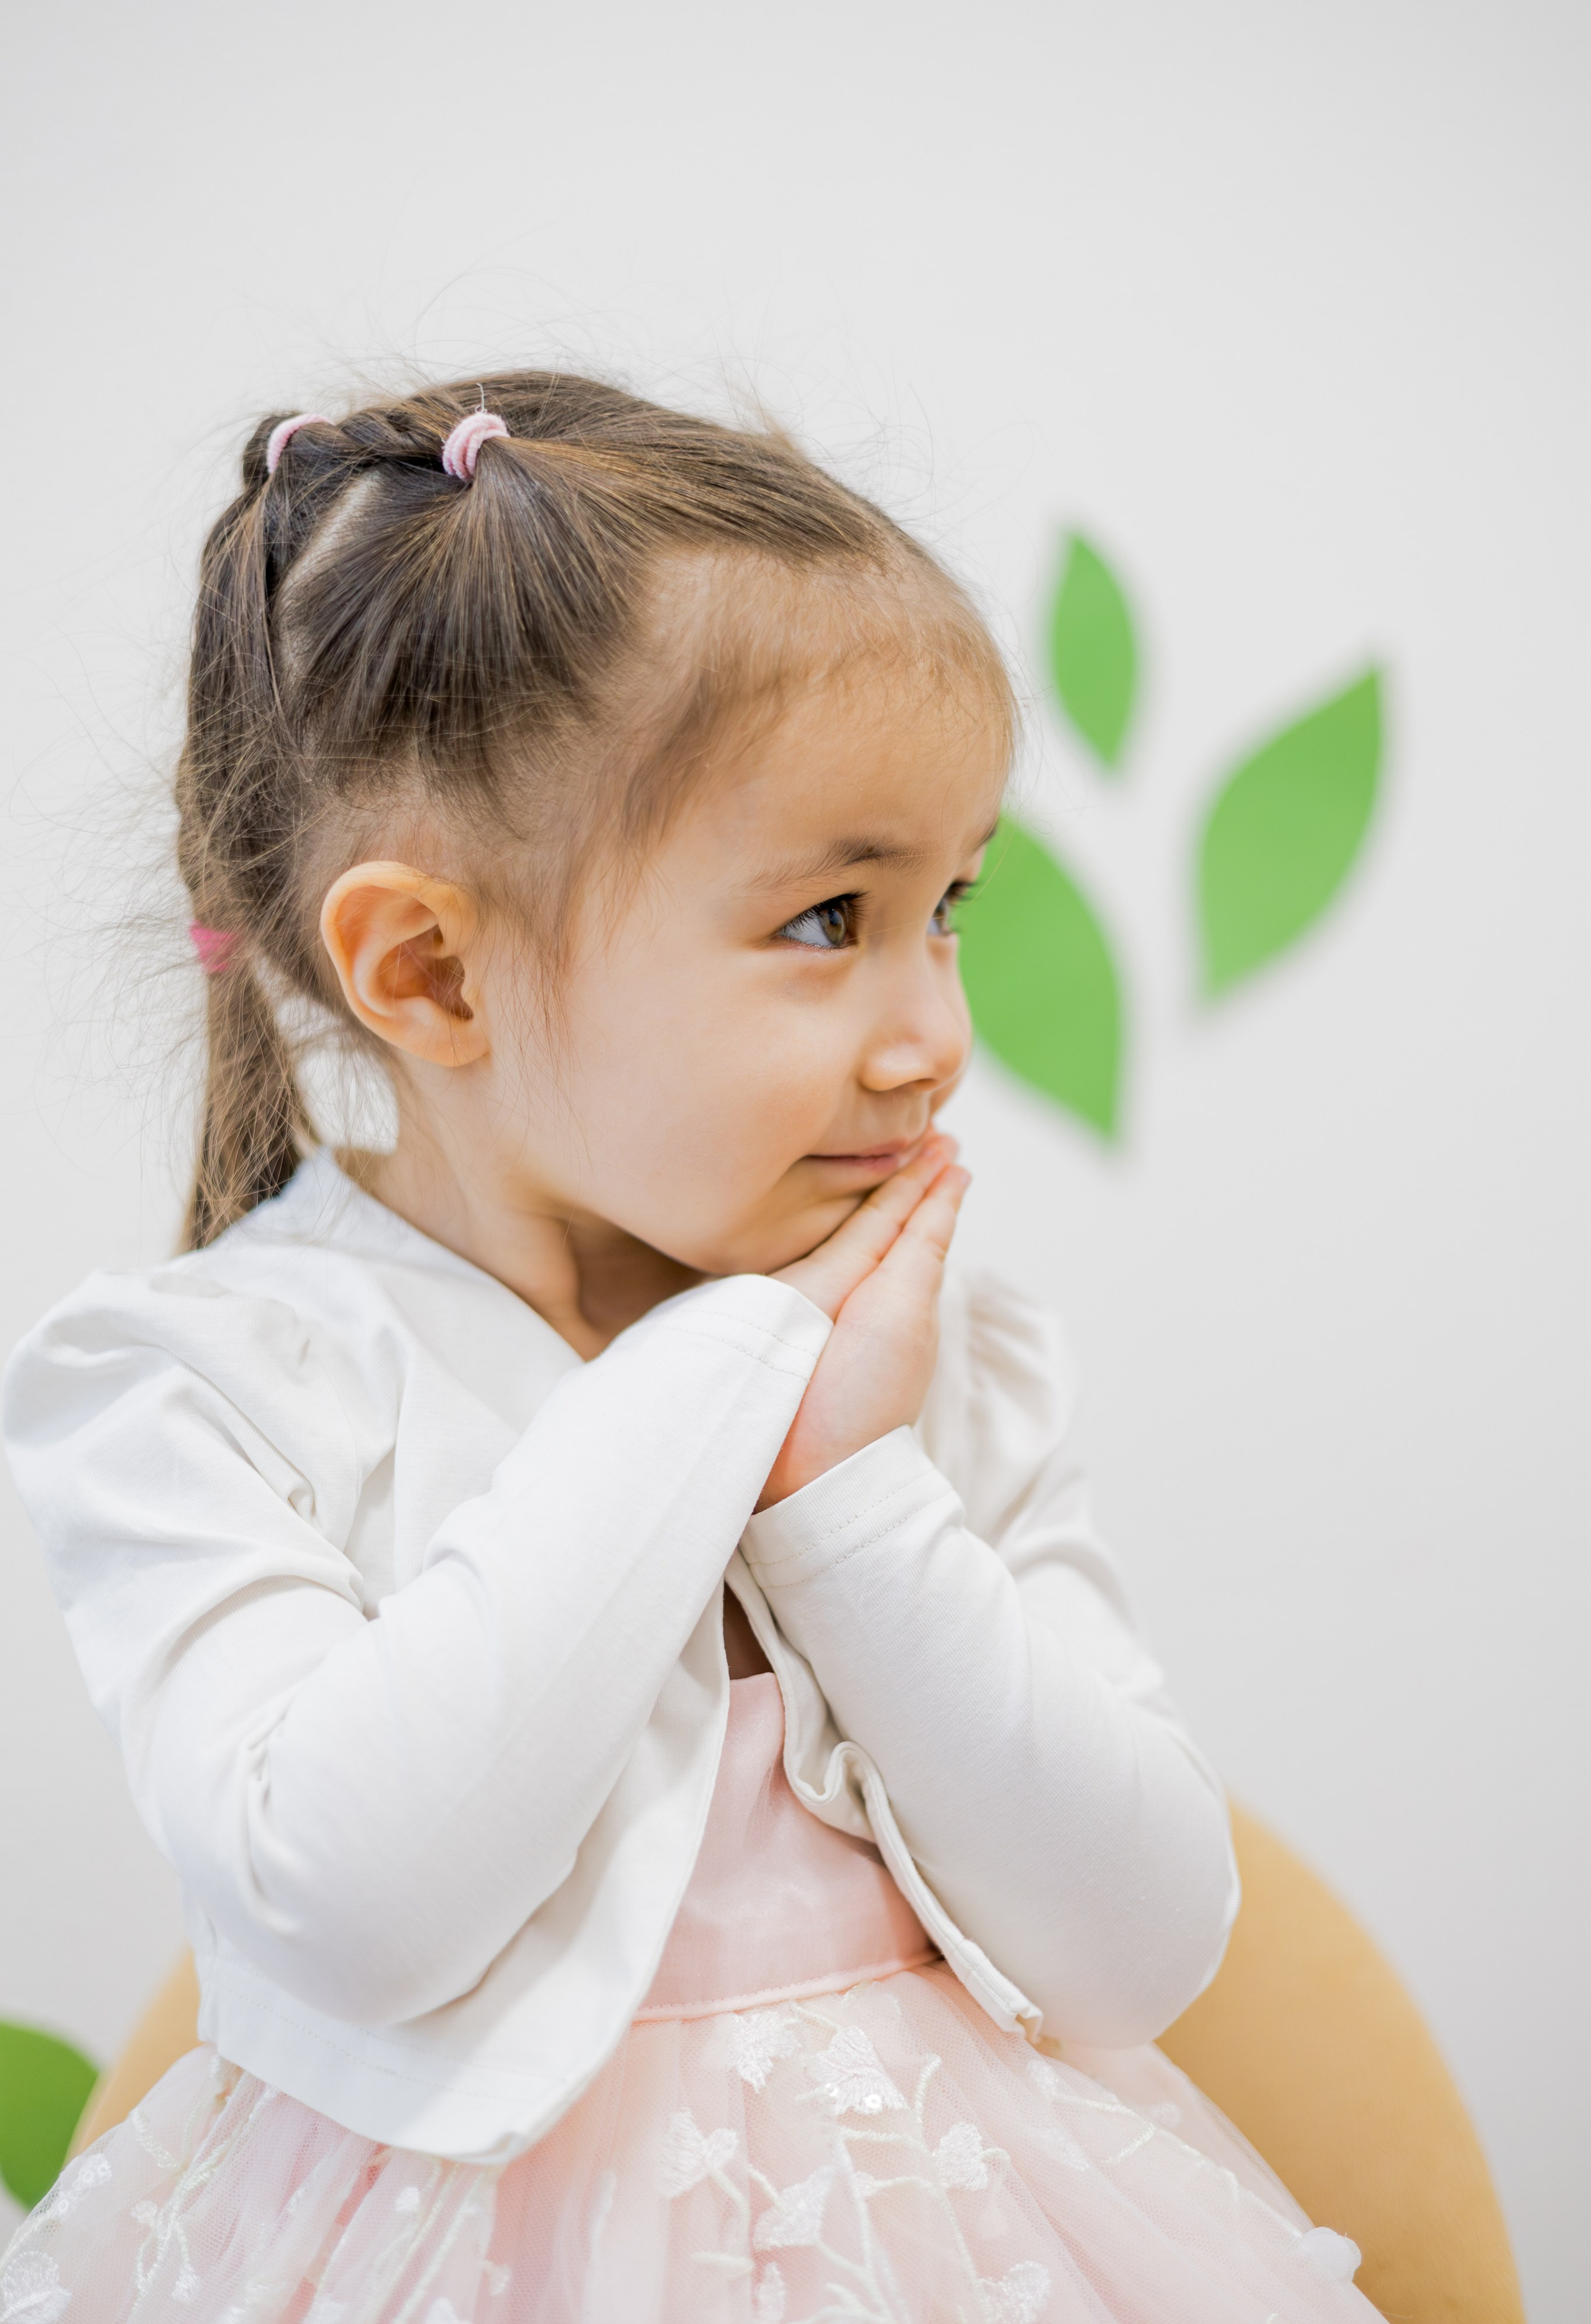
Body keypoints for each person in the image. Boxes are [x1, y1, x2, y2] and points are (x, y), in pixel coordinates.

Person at [1, 376, 1377, 2322]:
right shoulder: (192, 1387)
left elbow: (1132, 1951)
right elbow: (365, 1906)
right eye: (830, 917)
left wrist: (850, 1493)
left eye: (947, 907)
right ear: (435, 973)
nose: (934, 1033)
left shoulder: (935, 1355)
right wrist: (734, 1374)